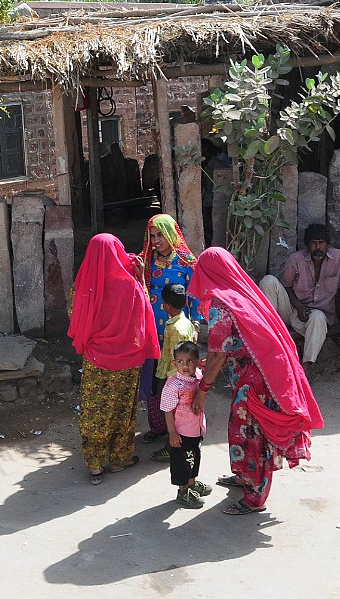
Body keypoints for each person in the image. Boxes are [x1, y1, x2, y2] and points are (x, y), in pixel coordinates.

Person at [189, 247, 324, 515]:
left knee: (252, 435)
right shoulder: (244, 294)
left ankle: (255, 498)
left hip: (255, 382)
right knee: (241, 428)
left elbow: (217, 352)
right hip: (261, 374)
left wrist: (203, 390)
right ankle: (243, 476)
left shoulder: (221, 303)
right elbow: (234, 344)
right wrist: (218, 361)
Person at [68, 234, 160, 485]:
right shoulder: (129, 285)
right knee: (122, 411)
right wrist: (140, 279)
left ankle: (95, 465)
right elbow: (143, 313)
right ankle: (119, 459)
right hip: (127, 360)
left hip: (96, 359)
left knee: (94, 411)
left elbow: (73, 315)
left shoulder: (83, 283)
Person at [138, 214, 202, 446]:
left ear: (171, 234)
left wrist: (195, 325)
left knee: (179, 380)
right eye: (152, 236)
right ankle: (158, 426)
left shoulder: (186, 263)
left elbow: (195, 295)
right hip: (152, 333)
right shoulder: (146, 262)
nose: (156, 241)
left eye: (160, 235)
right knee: (154, 379)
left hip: (177, 333)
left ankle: (183, 429)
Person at [259, 223, 340, 376]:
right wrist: (298, 306)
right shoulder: (296, 259)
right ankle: (270, 334)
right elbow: (286, 286)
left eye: (321, 243)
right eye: (314, 243)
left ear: (327, 245)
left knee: (318, 317)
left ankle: (304, 370)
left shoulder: (337, 258)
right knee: (268, 281)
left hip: (316, 317)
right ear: (307, 245)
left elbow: (338, 289)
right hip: (292, 310)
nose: (318, 247)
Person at [160, 341, 211, 509]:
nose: (185, 365)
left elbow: (210, 368)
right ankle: (183, 492)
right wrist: (172, 433)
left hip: (196, 430)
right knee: (182, 462)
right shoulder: (173, 384)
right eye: (180, 361)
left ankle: (192, 484)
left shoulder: (197, 375)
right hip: (181, 434)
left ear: (197, 362)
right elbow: (167, 410)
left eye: (190, 361)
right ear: (174, 363)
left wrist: (203, 364)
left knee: (194, 458)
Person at [150, 283, 197, 462]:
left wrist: (173, 379)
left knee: (171, 413)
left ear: (166, 306)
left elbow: (180, 358)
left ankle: (172, 446)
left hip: (172, 377)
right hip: (173, 375)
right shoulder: (184, 323)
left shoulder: (177, 328)